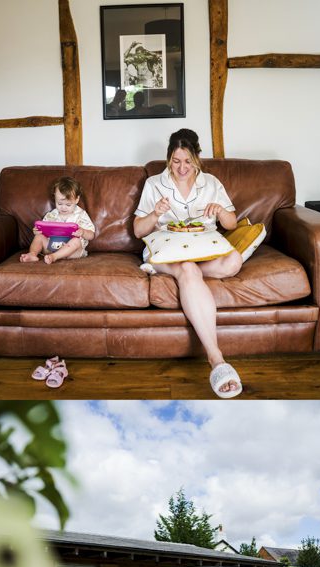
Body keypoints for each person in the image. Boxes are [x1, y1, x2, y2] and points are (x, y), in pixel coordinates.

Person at [133, 128, 245, 398]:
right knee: (187, 267)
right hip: (165, 249)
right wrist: (154, 214)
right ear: (168, 158)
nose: (181, 168)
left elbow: (232, 223)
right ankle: (216, 358)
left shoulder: (211, 183)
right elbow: (138, 230)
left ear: (197, 158)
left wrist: (220, 212)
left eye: (187, 161)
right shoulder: (154, 184)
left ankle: (188, 280)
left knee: (233, 261)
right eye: (175, 161)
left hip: (202, 247)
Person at [19, 177, 96, 265]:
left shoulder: (81, 215)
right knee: (39, 237)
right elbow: (43, 230)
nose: (63, 207)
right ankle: (32, 254)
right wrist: (37, 231)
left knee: (76, 241)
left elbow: (91, 235)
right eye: (59, 203)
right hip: (52, 247)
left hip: (72, 251)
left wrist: (83, 232)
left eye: (68, 204)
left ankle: (54, 257)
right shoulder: (52, 215)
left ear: (77, 199)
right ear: (55, 197)